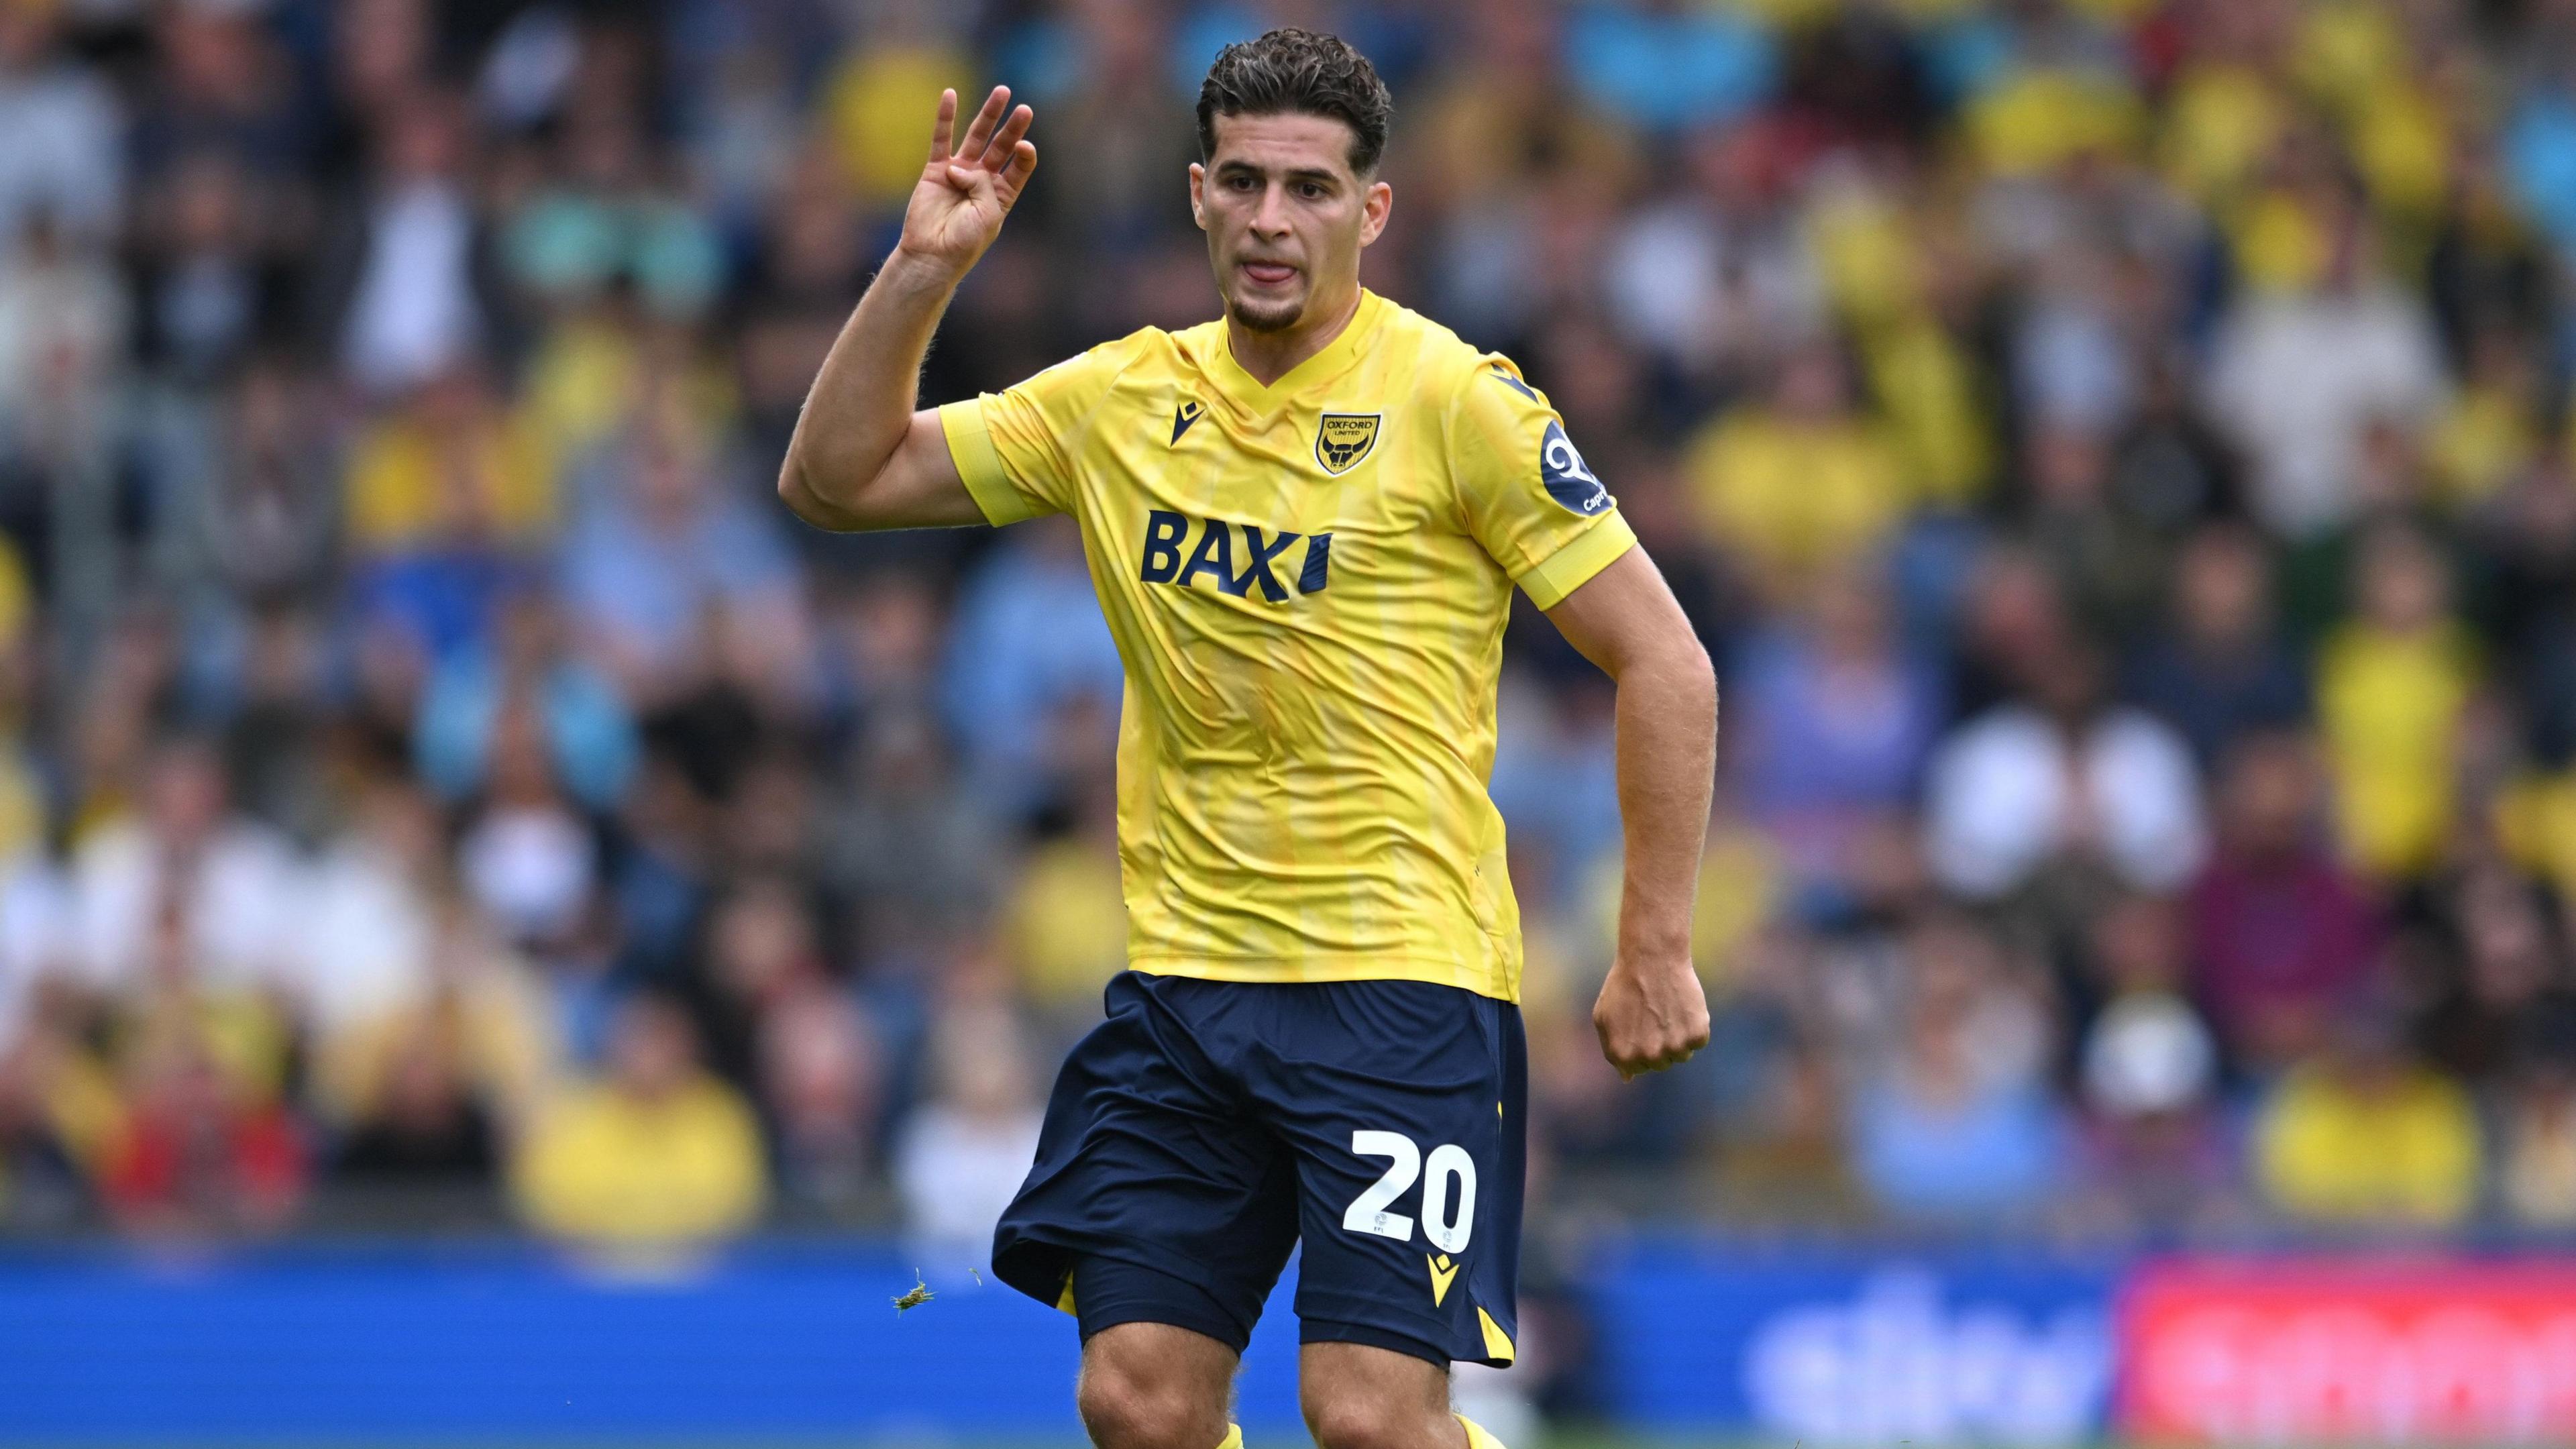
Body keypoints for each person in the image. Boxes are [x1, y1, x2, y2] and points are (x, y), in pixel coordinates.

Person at [775, 30, 1716, 1449]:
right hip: (1190, 985)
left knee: (1369, 1419)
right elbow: (835, 480)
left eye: (1312, 190)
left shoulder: (1459, 403)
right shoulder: (1121, 401)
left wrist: (1651, 943)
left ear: (1372, 210)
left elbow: (1665, 658)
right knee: (1136, 1398)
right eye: (1245, 184)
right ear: (1198, 194)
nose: (1274, 221)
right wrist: (926, 266)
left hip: (1400, 987)